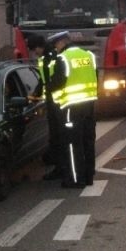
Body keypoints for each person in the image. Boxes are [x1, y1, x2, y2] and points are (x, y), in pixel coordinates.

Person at [46, 30, 98, 189]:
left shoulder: (63, 58)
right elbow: (95, 76)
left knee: (72, 144)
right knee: (87, 141)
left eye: (56, 45)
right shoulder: (89, 55)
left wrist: (50, 91)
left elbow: (57, 83)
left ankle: (76, 179)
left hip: (70, 107)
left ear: (61, 42)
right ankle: (89, 176)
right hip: (89, 105)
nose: (55, 49)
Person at [27, 34, 62, 180]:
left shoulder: (53, 57)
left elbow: (55, 80)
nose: (35, 54)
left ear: (39, 47)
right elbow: (43, 79)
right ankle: (58, 165)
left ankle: (60, 169)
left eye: (35, 50)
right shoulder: (45, 58)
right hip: (52, 102)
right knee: (56, 136)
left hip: (58, 102)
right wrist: (37, 92)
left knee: (59, 136)